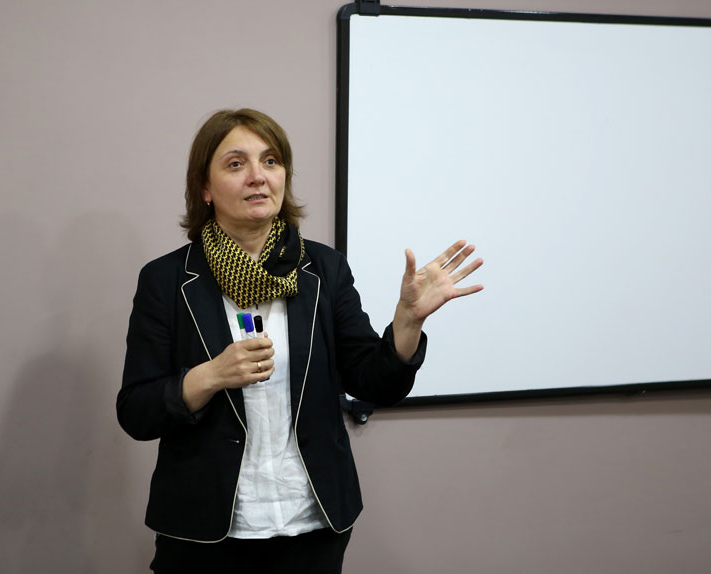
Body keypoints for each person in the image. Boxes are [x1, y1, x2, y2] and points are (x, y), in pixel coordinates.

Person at [117, 108, 482, 573]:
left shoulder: (324, 270)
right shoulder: (167, 281)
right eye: (236, 163)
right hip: (204, 530)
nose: (258, 176)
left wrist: (408, 323)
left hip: (311, 525)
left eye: (270, 161)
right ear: (205, 188)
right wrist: (210, 376)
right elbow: (136, 412)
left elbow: (374, 381)